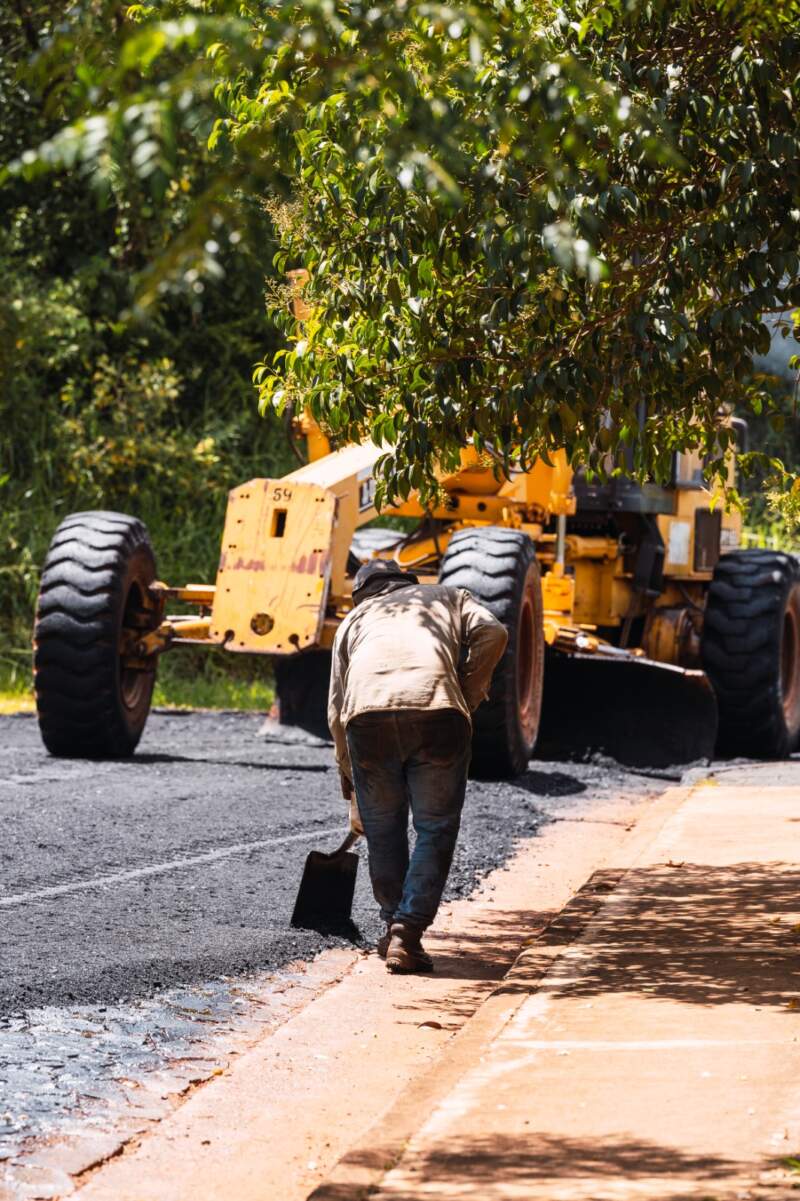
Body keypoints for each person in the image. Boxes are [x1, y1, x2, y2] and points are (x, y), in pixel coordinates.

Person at [327, 558, 508, 974]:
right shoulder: (447, 596)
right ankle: (406, 934)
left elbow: (336, 712)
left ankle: (394, 923)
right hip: (438, 715)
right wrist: (468, 691)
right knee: (436, 827)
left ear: (364, 593)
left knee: (383, 829)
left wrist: (350, 780)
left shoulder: (354, 620)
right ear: (406, 581)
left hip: (366, 722)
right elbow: (493, 632)